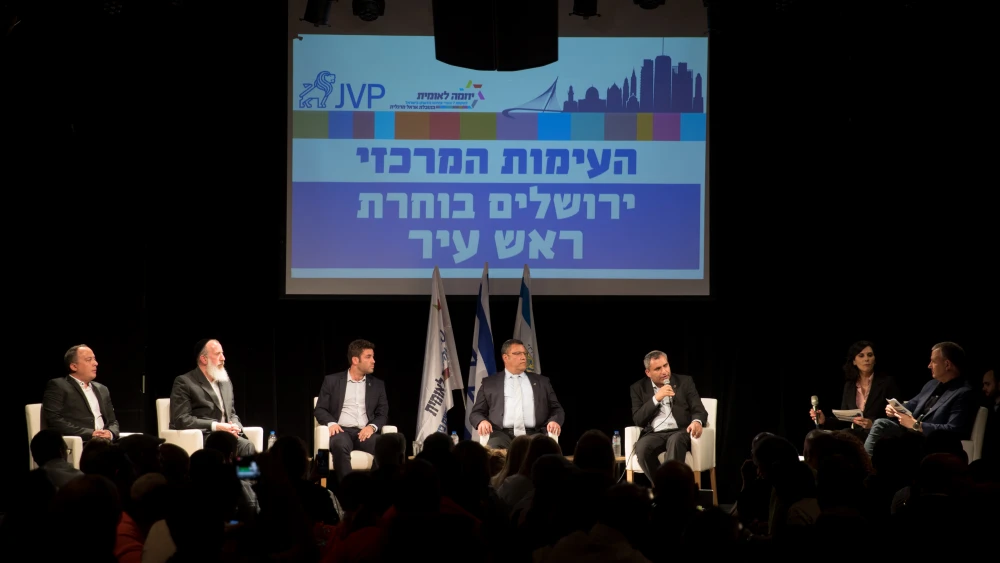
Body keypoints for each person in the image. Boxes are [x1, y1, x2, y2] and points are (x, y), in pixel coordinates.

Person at [863, 341, 979, 457]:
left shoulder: (964, 393)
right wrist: (894, 409)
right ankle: (867, 463)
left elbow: (954, 429)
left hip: (928, 439)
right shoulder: (931, 385)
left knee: (887, 434)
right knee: (878, 425)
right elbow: (910, 405)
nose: (929, 365)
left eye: (933, 361)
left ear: (947, 364)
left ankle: (867, 465)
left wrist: (917, 425)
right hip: (910, 433)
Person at [313, 339, 389, 484]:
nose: (373, 361)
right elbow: (320, 409)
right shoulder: (332, 381)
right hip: (341, 430)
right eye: (368, 357)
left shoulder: (378, 385)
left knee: (386, 446)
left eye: (373, 357)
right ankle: (348, 489)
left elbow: (383, 413)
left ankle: (373, 488)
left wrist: (372, 427)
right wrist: (332, 423)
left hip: (364, 432)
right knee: (340, 445)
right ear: (355, 360)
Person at [469, 338, 565, 449]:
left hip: (535, 433)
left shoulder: (542, 382)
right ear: (505, 357)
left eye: (524, 353)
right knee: (493, 449)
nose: (524, 357)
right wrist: (481, 421)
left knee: (541, 448)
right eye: (518, 353)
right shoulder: (489, 383)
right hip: (501, 434)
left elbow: (557, 409)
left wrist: (554, 421)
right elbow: (476, 413)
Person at [169, 339, 257, 457]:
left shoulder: (225, 382)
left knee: (247, 446)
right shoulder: (185, 382)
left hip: (227, 436)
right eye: (217, 354)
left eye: (223, 353)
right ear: (204, 359)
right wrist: (216, 426)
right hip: (204, 436)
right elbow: (182, 419)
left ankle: (243, 470)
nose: (223, 358)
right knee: (244, 446)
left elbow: (231, 414)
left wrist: (235, 427)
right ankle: (243, 470)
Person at [629, 350, 708, 478]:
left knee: (675, 440)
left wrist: (696, 422)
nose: (664, 371)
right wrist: (656, 398)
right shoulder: (638, 388)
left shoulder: (685, 382)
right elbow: (638, 419)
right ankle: (662, 486)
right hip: (655, 433)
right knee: (642, 448)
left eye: (666, 365)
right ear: (648, 372)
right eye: (658, 369)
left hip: (680, 431)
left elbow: (698, 409)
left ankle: (670, 487)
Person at [810, 340, 901, 438]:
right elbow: (844, 421)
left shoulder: (887, 383)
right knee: (815, 436)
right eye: (861, 356)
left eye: (870, 355)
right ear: (854, 361)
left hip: (879, 436)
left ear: (874, 360)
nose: (866, 359)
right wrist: (824, 420)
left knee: (845, 435)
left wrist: (873, 424)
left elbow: (896, 417)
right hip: (855, 436)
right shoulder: (849, 386)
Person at [41, 344, 119, 442]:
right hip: (82, 442)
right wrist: (90, 434)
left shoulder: (102, 389)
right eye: (89, 359)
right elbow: (54, 420)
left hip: (107, 443)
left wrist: (110, 433)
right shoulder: (58, 386)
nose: (96, 363)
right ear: (74, 366)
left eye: (94, 359)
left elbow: (113, 421)